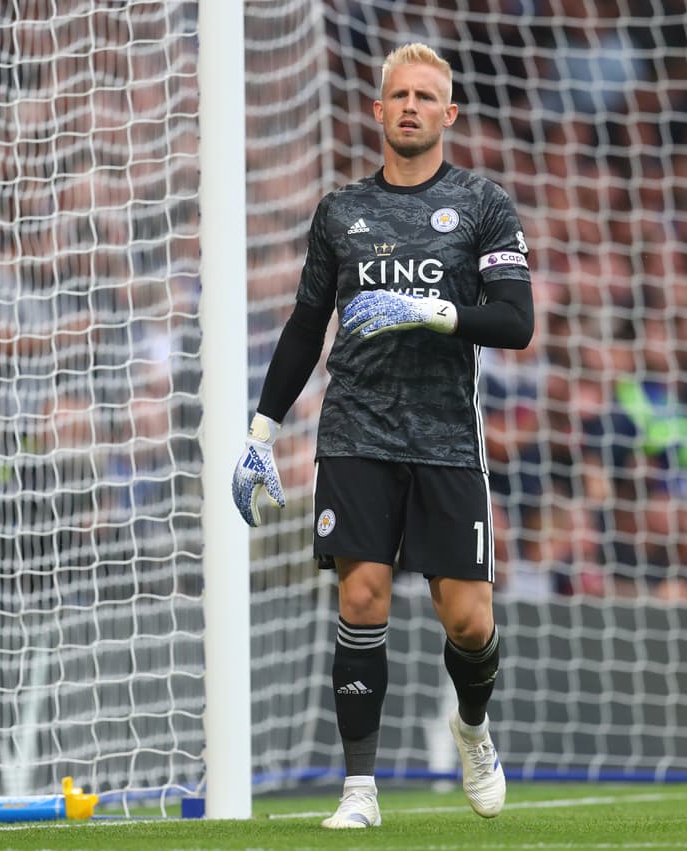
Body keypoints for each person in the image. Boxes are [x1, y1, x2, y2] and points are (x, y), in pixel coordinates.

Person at [232, 43, 534, 829]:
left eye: (425, 97)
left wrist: (435, 311)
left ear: (448, 113)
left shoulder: (482, 205)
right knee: (361, 595)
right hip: (355, 431)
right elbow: (306, 327)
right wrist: (261, 430)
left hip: (446, 439)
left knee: (468, 620)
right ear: (377, 110)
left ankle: (472, 727)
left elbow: (516, 321)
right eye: (398, 95)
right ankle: (359, 790)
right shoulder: (340, 212)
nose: (410, 106)